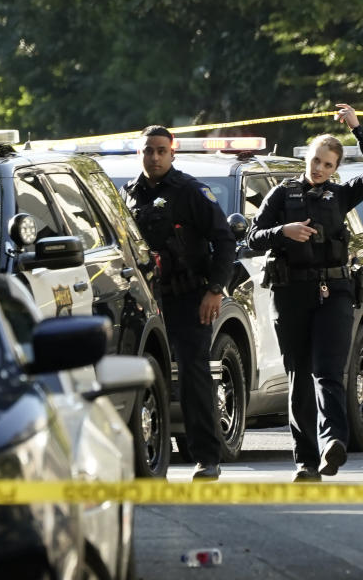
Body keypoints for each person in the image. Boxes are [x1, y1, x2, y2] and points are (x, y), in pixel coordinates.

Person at [247, 104, 363, 482]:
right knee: (299, 375)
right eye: (315, 161)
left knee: (327, 371)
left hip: (335, 291)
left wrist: (358, 128)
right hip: (291, 291)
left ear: (336, 167)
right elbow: (252, 238)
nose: (319, 169)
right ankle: (306, 460)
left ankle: (332, 444)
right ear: (306, 159)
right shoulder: (281, 194)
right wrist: (283, 232)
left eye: (327, 164)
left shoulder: (340, 196)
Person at [120, 125, 236, 481]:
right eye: (147, 151)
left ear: (172, 153)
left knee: (192, 374)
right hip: (146, 299)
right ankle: (145, 457)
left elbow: (224, 242)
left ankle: (206, 457)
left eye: (160, 151)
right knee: (140, 374)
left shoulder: (191, 192)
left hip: (189, 298)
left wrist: (215, 290)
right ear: (138, 153)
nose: (153, 157)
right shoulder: (128, 194)